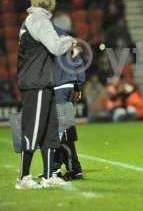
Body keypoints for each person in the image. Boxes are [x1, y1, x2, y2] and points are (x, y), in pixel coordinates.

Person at [16, 0, 77, 189]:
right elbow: (56, 47)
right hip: (37, 82)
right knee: (34, 129)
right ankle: (23, 177)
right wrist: (70, 40)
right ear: (48, 1)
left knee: (50, 130)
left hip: (43, 81)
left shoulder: (32, 20)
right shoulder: (38, 20)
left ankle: (50, 174)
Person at [52, 26, 86, 181]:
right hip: (69, 87)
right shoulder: (71, 45)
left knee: (60, 132)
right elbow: (79, 64)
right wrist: (79, 86)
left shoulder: (51, 43)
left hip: (58, 88)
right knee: (65, 130)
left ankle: (61, 169)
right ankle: (64, 168)